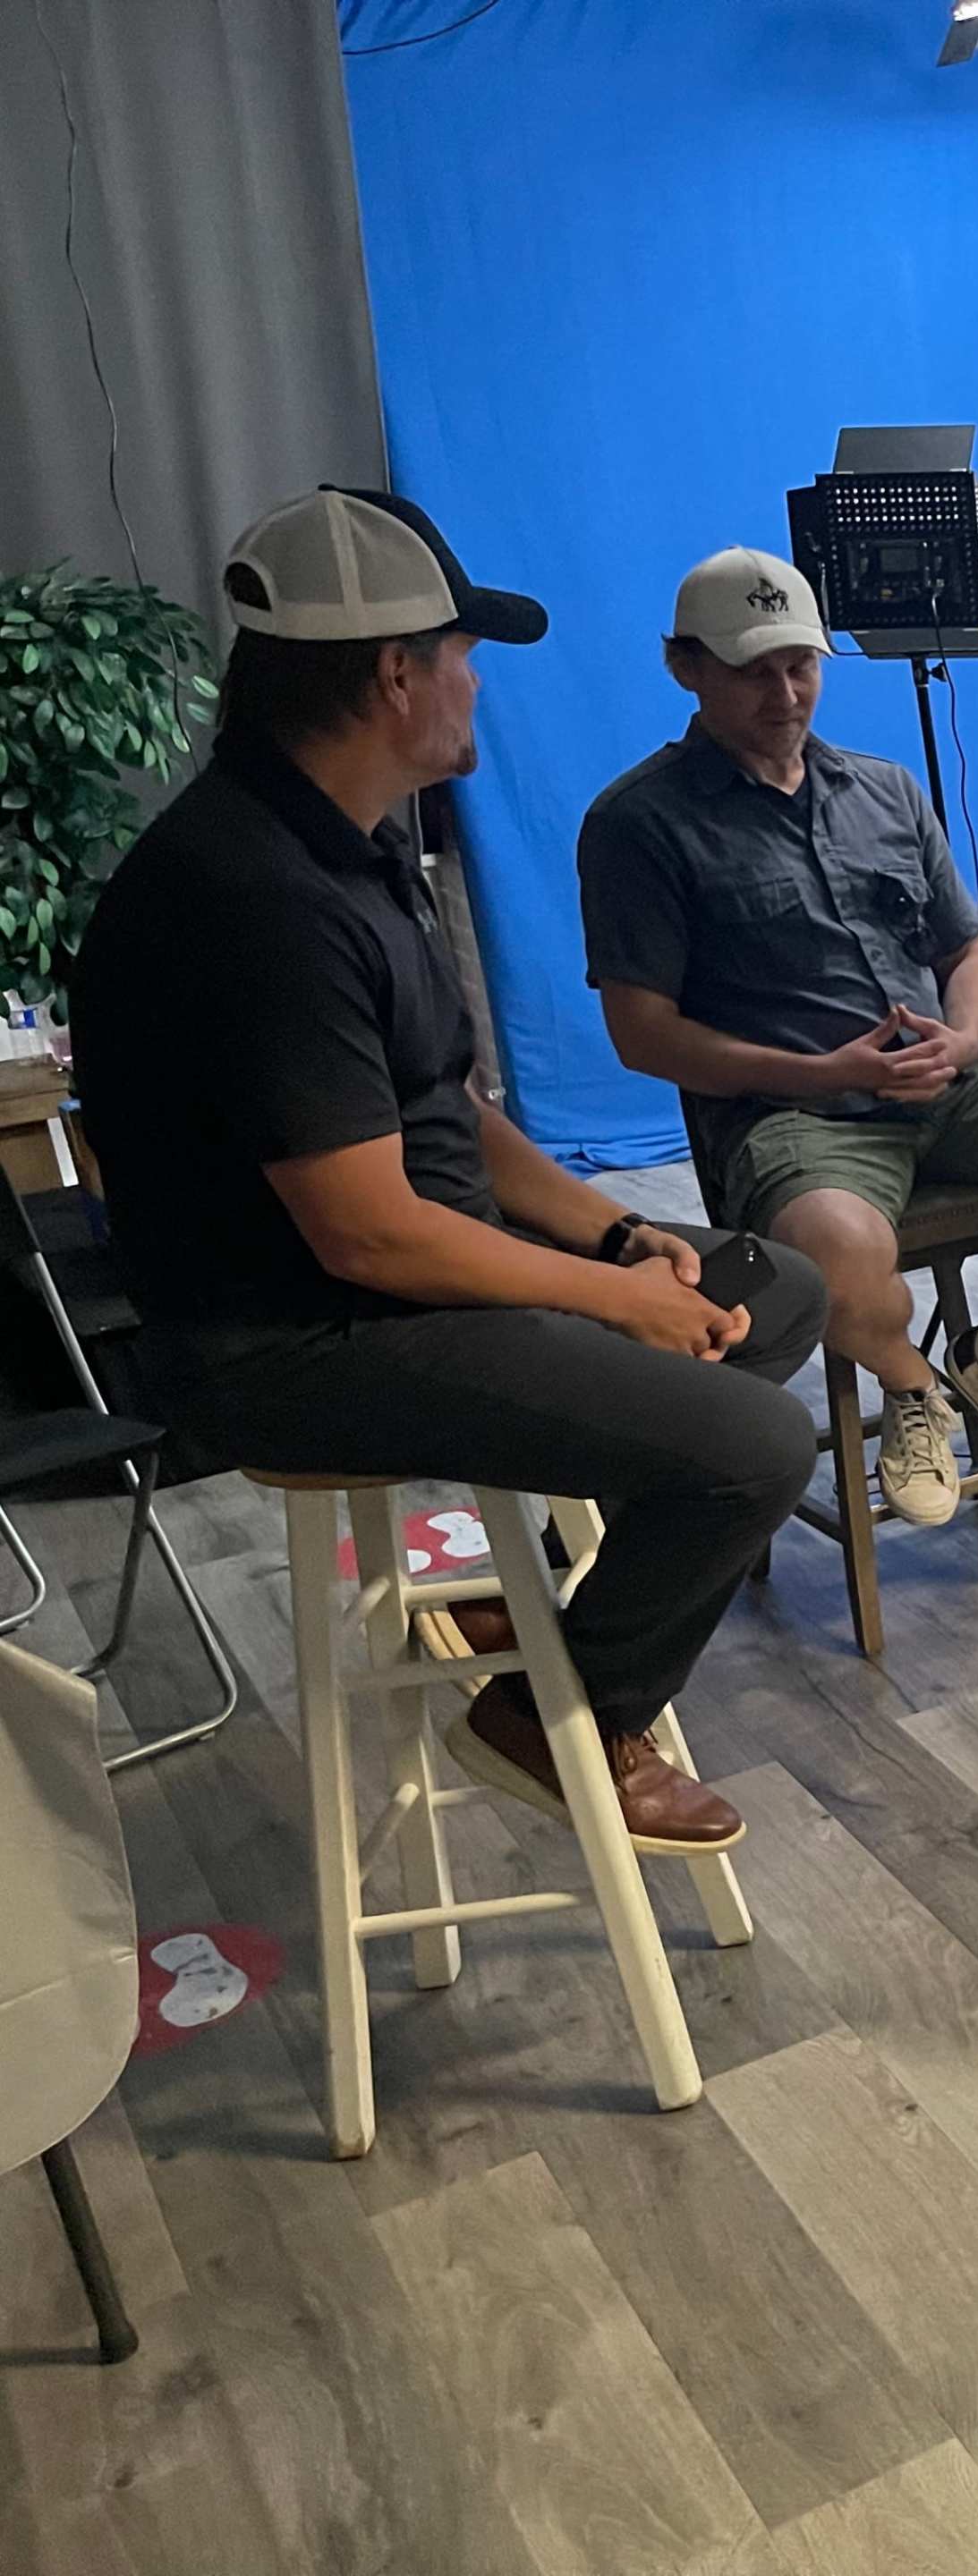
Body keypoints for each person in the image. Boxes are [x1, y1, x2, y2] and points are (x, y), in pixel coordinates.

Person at [70, 489, 829, 1850]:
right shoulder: (255, 898)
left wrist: (612, 1241)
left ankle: (529, 1608)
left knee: (767, 1290)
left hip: (405, 1290)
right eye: (465, 656)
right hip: (296, 1343)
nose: (480, 685)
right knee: (758, 1447)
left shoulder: (356, 843)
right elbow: (369, 1237)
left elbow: (446, 1109)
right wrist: (609, 1305)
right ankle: (549, 1711)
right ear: (395, 673)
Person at [581, 548, 978, 1529]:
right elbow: (642, 1035)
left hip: (945, 1086)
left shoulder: (886, 790)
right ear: (683, 666)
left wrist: (963, 1037)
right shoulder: (637, 824)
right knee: (837, 1245)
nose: (784, 694)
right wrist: (822, 1070)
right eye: (752, 670)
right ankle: (912, 1390)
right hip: (794, 1118)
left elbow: (971, 956)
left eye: (800, 665)